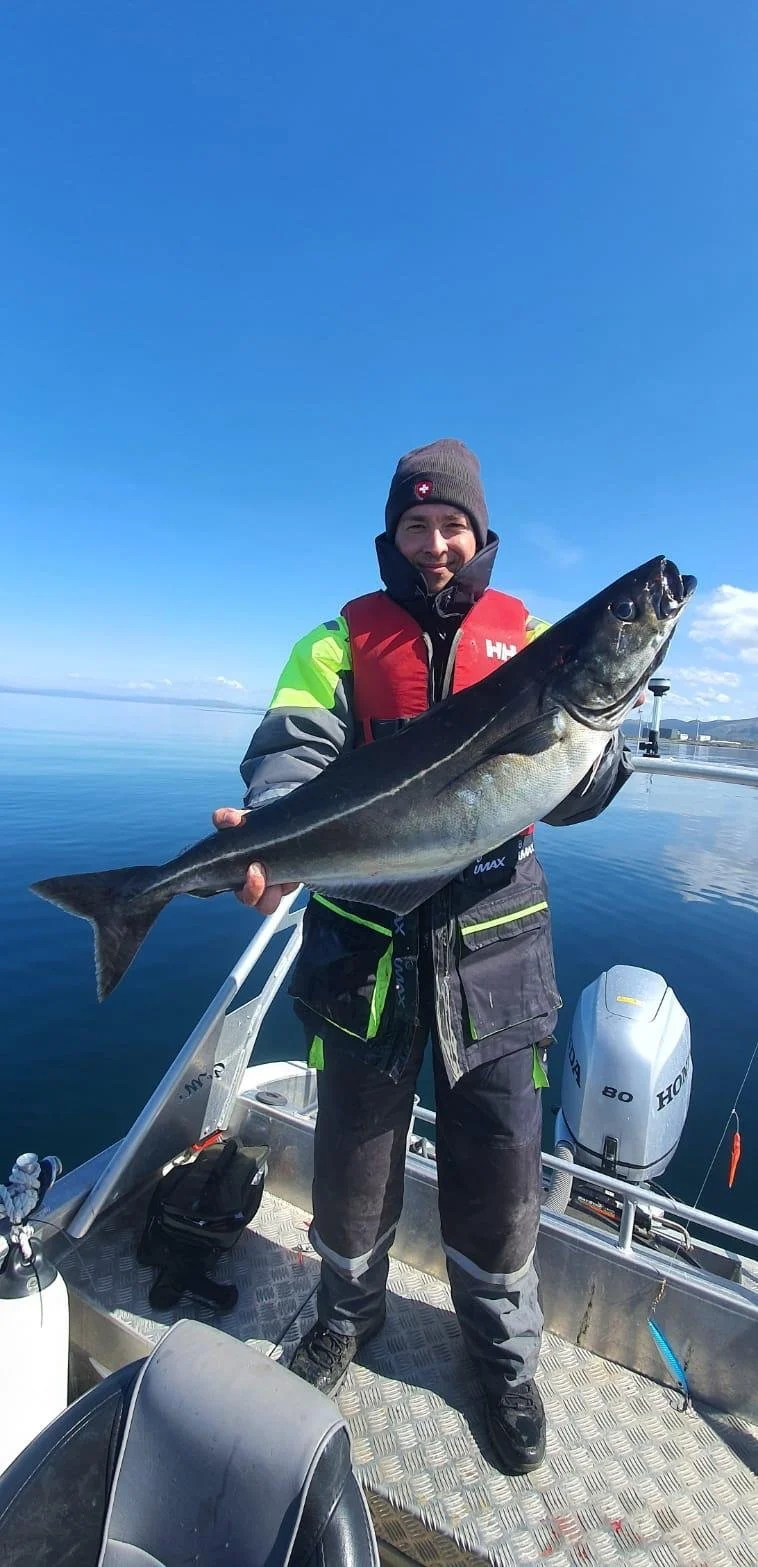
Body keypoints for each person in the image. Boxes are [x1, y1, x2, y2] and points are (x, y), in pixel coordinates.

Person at [213, 440, 632, 1475]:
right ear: (391, 536)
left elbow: (580, 790)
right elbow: (289, 755)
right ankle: (344, 1315)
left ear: (479, 533)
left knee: (498, 1168)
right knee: (351, 1153)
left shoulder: (534, 639)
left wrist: (597, 746)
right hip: (360, 944)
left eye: (451, 524)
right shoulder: (335, 641)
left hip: (496, 948)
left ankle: (500, 1356)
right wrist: (267, 833)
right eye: (415, 525)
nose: (435, 542)